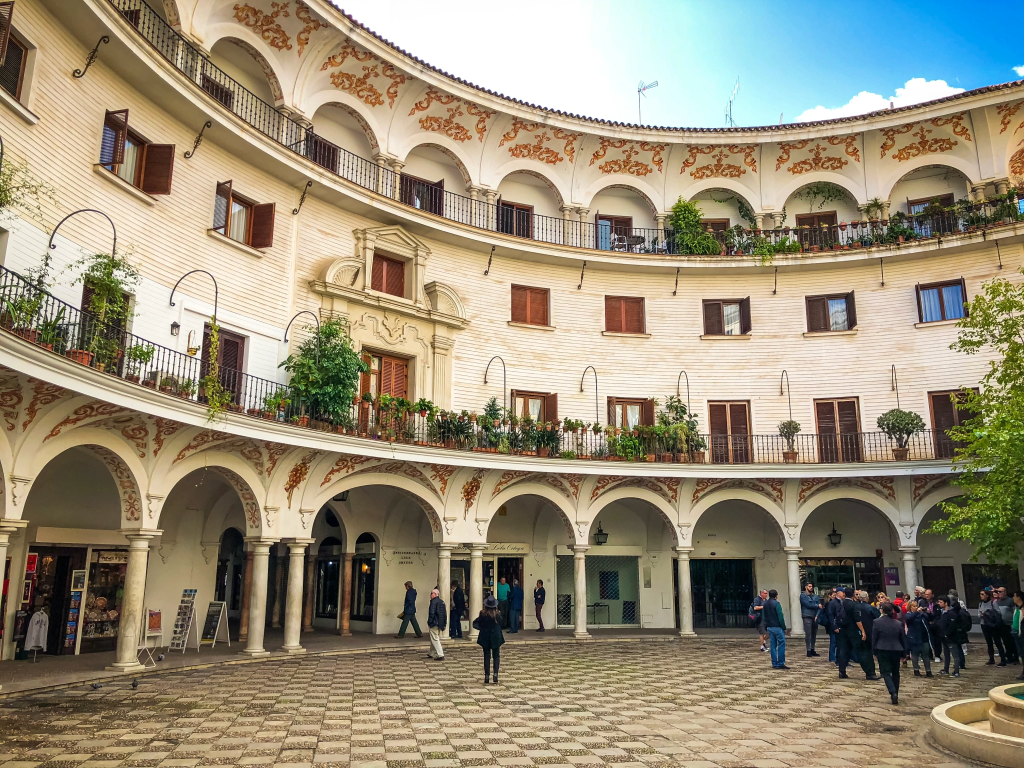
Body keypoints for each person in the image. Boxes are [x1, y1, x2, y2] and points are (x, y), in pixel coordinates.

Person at [872, 603, 907, 706]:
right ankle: (895, 692)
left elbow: (875, 638)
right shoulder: (898, 623)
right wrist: (904, 653)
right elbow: (902, 639)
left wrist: (874, 651)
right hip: (896, 649)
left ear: (882, 610)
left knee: (886, 672)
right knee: (896, 672)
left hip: (882, 649)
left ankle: (893, 692)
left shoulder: (877, 622)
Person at [830, 587, 865, 679]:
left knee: (843, 650)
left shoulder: (841, 603)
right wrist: (862, 631)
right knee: (861, 649)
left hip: (842, 629)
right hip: (851, 629)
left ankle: (842, 671)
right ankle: (869, 671)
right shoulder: (853, 604)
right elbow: (857, 619)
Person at [473, 594, 504, 685]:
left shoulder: (482, 614)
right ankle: (495, 674)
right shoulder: (497, 614)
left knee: (487, 656)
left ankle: (487, 676)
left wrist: (482, 629)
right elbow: (502, 623)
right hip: (495, 636)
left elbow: (477, 623)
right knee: (496, 656)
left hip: (486, 636)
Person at [855, 591, 881, 680]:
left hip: (858, 632)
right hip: (870, 632)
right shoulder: (870, 608)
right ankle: (871, 672)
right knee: (869, 653)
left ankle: (868, 671)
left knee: (863, 653)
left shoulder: (856, 607)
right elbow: (878, 618)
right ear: (867, 598)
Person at [938, 596, 966, 676]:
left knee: (955, 654)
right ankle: (946, 669)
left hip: (951, 637)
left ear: (946, 603)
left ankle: (956, 671)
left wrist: (947, 633)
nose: (939, 604)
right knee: (946, 654)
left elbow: (952, 625)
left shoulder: (951, 613)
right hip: (944, 637)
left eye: (941, 602)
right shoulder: (943, 612)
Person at [979, 588, 1007, 666]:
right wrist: (982, 615)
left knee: (997, 641)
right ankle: (991, 659)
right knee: (989, 642)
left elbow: (998, 612)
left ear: (987, 595)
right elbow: (979, 613)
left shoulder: (993, 602)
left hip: (992, 625)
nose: (981, 596)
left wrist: (988, 613)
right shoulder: (980, 603)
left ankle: (1003, 659)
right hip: (984, 624)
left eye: (982, 594)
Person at [904, 600, 933, 677]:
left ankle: (928, 671)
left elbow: (929, 619)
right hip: (914, 638)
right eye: (913, 606)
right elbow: (909, 619)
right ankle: (916, 670)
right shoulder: (908, 614)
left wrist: (928, 613)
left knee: (925, 655)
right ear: (910, 607)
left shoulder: (921, 615)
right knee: (915, 655)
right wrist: (917, 612)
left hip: (923, 637)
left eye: (916, 605)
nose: (916, 607)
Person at [763, 589, 788, 669]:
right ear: (776, 596)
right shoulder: (777, 604)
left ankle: (774, 663)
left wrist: (766, 626)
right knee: (781, 644)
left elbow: (764, 616)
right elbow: (780, 616)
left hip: (769, 626)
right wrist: (784, 627)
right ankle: (780, 662)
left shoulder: (765, 604)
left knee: (773, 645)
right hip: (777, 626)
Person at [995, 586, 1020, 664]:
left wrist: (1014, 623)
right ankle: (1009, 656)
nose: (998, 593)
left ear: (1005, 592)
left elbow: (1015, 612)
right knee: (1005, 642)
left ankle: (1016, 657)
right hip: (1001, 625)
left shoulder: (1010, 601)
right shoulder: (997, 602)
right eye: (997, 591)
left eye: (1000, 591)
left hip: (1010, 624)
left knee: (1013, 641)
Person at [920, 588, 943, 662]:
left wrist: (935, 621)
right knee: (927, 640)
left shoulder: (936, 603)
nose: (926, 596)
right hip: (926, 623)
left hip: (935, 624)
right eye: (925, 594)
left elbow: (939, 614)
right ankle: (929, 655)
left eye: (928, 594)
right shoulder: (922, 602)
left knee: (937, 641)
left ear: (932, 595)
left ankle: (937, 655)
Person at [426, 587, 446, 660]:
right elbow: (444, 614)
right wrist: (444, 624)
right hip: (440, 623)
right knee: (433, 638)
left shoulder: (433, 602)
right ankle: (431, 652)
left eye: (431, 593)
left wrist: (429, 622)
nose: (430, 595)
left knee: (435, 638)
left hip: (434, 622)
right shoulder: (442, 602)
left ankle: (440, 654)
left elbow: (432, 613)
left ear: (435, 594)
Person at [800, 582, 820, 657]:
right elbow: (807, 604)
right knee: (808, 634)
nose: (811, 587)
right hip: (807, 615)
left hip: (814, 616)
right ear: (806, 587)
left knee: (814, 634)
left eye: (812, 586)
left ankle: (812, 649)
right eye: (809, 586)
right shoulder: (803, 595)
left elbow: (820, 607)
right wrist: (816, 605)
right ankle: (808, 650)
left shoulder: (815, 596)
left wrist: (817, 614)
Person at [816, 595, 835, 663]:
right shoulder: (829, 604)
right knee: (833, 642)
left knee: (834, 642)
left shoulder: (831, 604)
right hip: (831, 625)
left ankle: (833, 657)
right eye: (833, 595)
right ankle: (832, 658)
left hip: (831, 625)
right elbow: (830, 615)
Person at [1012, 591, 1024, 680]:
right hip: (1015, 632)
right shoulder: (1017, 608)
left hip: (1022, 634)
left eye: (1014, 596)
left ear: (1019, 597)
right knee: (1021, 653)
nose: (1013, 598)